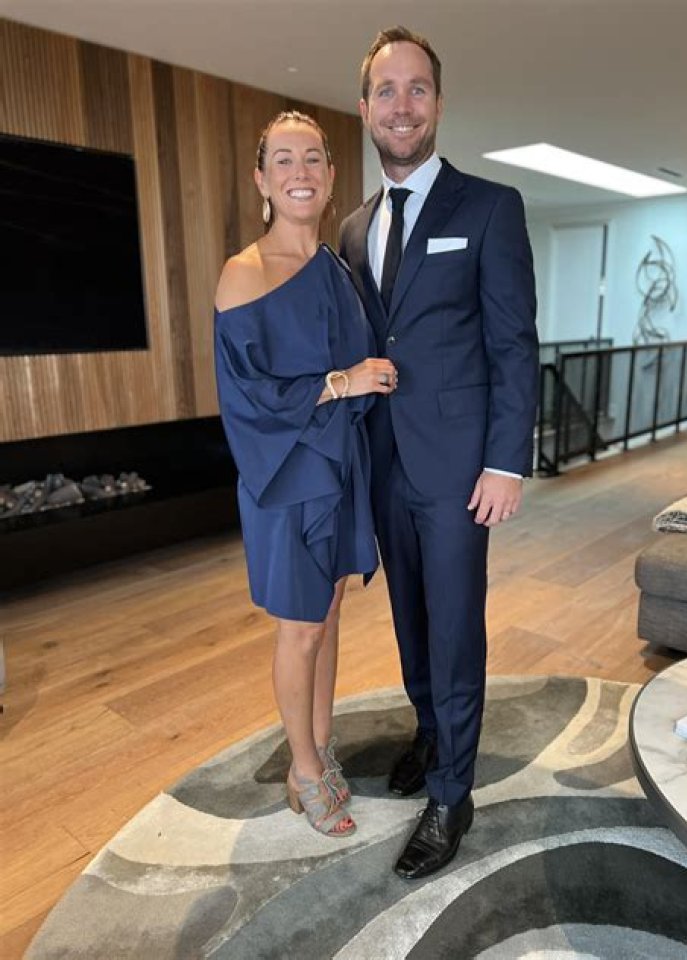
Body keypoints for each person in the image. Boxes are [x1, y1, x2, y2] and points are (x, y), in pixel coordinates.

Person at [339, 28, 539, 878]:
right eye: (386, 91)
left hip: (461, 470)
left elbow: (514, 345)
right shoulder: (353, 228)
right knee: (411, 620)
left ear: (439, 103)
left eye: (417, 89)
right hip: (385, 461)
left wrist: (506, 461)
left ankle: (453, 793)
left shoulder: (489, 207)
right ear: (365, 108)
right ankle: (431, 731)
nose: (403, 106)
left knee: (455, 626)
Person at [214, 111, 397, 838]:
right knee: (299, 628)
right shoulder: (245, 273)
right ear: (261, 180)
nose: (301, 172)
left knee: (328, 614)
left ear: (330, 176)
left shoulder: (339, 271)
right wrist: (342, 382)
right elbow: (249, 397)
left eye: (313, 158)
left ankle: (319, 748)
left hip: (339, 467)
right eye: (284, 160)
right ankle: (302, 770)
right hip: (284, 476)